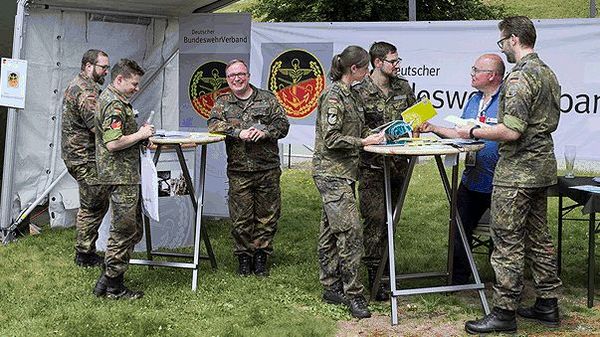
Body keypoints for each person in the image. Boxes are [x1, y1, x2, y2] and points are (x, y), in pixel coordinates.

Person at [460, 16, 562, 334]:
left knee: (507, 241)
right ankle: (548, 303)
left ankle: (504, 311)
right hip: (542, 167)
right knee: (538, 238)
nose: (502, 46)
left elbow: (512, 131)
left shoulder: (518, 79)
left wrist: (473, 129)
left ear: (514, 39)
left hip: (516, 173)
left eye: (502, 41)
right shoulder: (547, 73)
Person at [418, 53, 504, 285]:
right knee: (458, 225)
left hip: (501, 181)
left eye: (476, 70)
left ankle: (502, 282)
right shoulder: (474, 100)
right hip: (472, 179)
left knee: (504, 235)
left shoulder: (508, 99)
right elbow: (461, 132)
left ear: (492, 75)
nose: (472, 74)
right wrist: (433, 127)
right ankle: (458, 279)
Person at [313, 45, 385, 319]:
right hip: (331, 173)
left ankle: (330, 286)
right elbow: (332, 139)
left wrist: (376, 135)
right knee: (350, 231)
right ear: (353, 69)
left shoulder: (351, 95)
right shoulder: (334, 96)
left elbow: (357, 127)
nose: (368, 73)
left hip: (343, 172)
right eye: (366, 68)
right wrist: (363, 142)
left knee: (331, 230)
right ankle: (354, 294)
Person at [208, 59, 290, 277]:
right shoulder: (223, 102)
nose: (237, 78)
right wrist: (238, 133)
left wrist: (265, 133)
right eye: (232, 76)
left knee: (267, 216)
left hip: (267, 169)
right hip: (239, 171)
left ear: (248, 76)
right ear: (227, 79)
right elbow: (213, 124)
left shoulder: (267, 98)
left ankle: (261, 257)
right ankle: (244, 258)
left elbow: (283, 125)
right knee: (241, 218)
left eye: (241, 74)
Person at [354, 41, 416, 301]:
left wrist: (417, 124)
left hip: (399, 165)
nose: (397, 65)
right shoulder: (358, 91)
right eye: (393, 61)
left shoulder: (402, 86)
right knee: (376, 220)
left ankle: (388, 270)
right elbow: (354, 129)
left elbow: (414, 116)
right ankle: (374, 276)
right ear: (378, 62)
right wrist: (376, 136)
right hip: (372, 168)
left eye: (398, 60)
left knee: (392, 220)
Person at [92, 59, 154, 299]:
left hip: (122, 173)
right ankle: (114, 287)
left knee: (132, 229)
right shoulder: (114, 105)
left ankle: (105, 282)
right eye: (134, 84)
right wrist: (140, 134)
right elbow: (113, 142)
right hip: (120, 175)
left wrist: (139, 136)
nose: (136, 88)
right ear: (119, 80)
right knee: (125, 230)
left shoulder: (114, 100)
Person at [61, 49, 112, 268]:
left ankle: (86, 250)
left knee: (94, 201)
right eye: (103, 67)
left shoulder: (80, 84)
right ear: (89, 66)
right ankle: (84, 254)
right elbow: (98, 127)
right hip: (84, 156)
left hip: (79, 154)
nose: (106, 72)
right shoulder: (87, 92)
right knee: (94, 204)